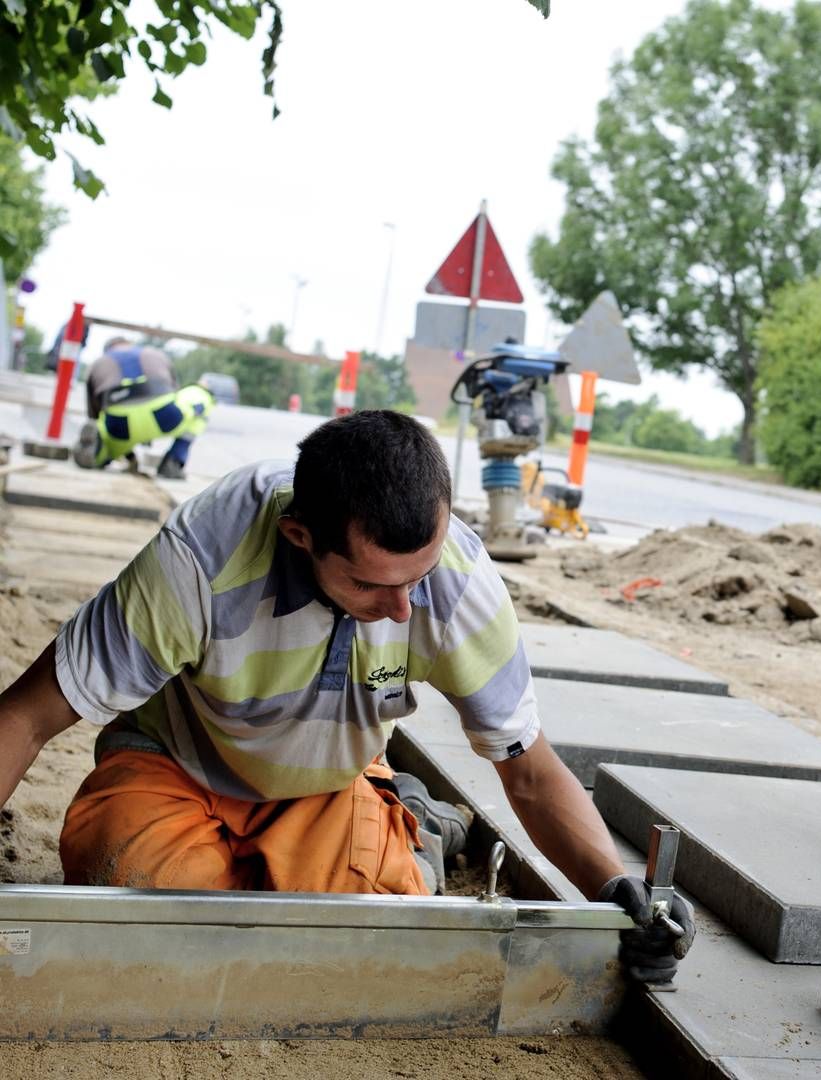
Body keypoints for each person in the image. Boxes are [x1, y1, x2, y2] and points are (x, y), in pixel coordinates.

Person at [0, 410, 692, 983]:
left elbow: (530, 772)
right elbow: (26, 715)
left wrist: (613, 890)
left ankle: (410, 821)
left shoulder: (455, 580)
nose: (402, 608)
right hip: (178, 762)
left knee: (369, 938)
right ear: (301, 536)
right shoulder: (200, 561)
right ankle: (379, 822)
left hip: (326, 782)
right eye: (371, 585)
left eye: (416, 576)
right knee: (146, 910)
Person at [74, 339, 214, 479]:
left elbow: (94, 414)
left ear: (107, 350)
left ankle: (98, 454)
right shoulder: (156, 354)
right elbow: (174, 392)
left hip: (121, 422)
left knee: (106, 438)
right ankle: (173, 461)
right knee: (199, 397)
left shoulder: (99, 363)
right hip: (163, 413)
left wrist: (126, 453)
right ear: (129, 344)